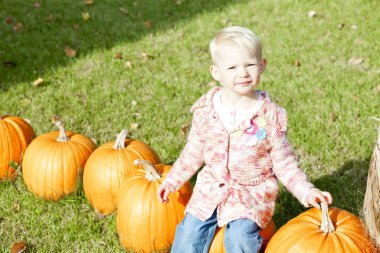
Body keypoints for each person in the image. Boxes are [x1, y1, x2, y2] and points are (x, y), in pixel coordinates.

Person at [157, 26, 333, 253]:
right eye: (232, 67)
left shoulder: (269, 117)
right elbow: (193, 152)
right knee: (189, 233)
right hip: (211, 188)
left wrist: (307, 192)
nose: (243, 73)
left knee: (240, 238)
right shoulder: (206, 110)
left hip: (252, 193)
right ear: (216, 72)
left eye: (250, 65)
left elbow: (285, 164)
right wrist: (172, 180)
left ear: (262, 66)